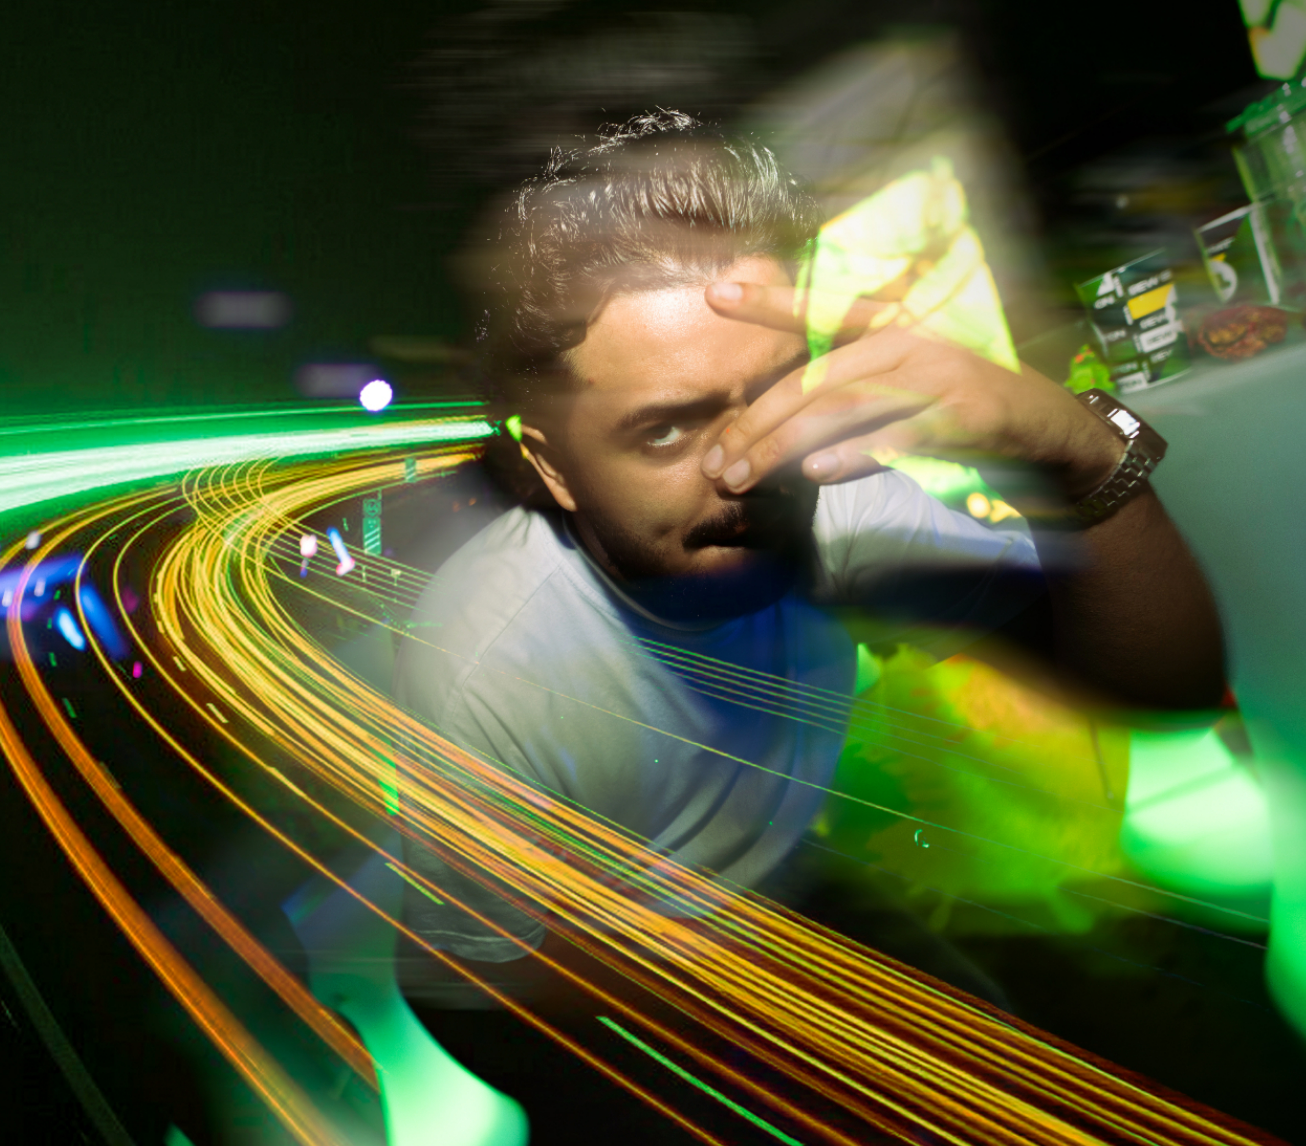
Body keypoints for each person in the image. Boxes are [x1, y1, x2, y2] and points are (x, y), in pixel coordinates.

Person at [390, 109, 1224, 1058]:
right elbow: (480, 987)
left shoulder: (838, 509)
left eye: (783, 392)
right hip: (622, 996)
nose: (751, 463)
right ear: (553, 469)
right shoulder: (486, 663)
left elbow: (1168, 684)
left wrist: (1077, 456)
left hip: (790, 888)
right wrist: (741, 989)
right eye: (666, 429)